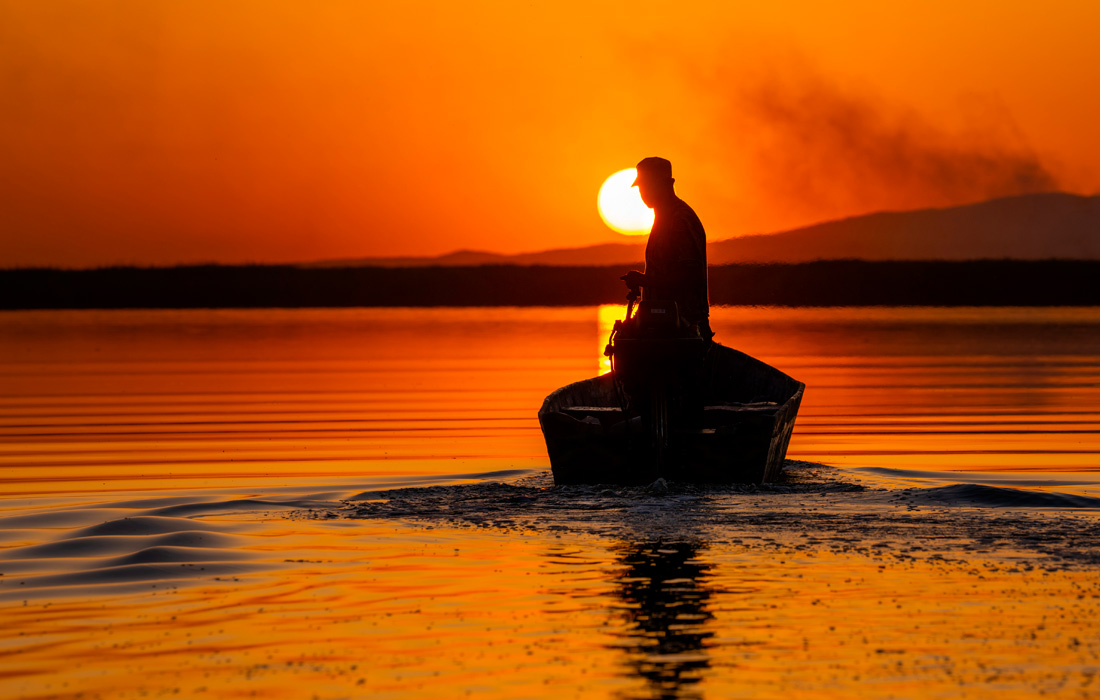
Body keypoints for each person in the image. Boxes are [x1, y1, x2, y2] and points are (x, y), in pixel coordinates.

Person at [621, 157, 712, 340]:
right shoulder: (662, 218)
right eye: (641, 187)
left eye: (648, 185)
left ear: (665, 184)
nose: (643, 193)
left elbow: (691, 276)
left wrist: (645, 281)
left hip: (686, 332)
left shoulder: (680, 220)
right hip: (665, 328)